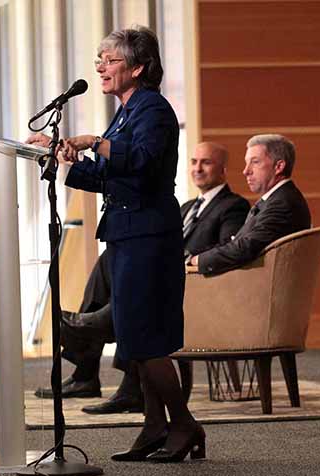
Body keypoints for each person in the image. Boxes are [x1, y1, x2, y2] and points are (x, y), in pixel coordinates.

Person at [28, 26, 204, 463]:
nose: (100, 67)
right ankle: (154, 427)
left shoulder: (153, 109)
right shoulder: (125, 111)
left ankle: (184, 425)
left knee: (146, 339)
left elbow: (142, 162)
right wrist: (60, 156)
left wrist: (95, 143)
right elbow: (109, 177)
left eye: (109, 60)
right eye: (99, 60)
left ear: (138, 67)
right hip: (126, 234)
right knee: (131, 338)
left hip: (149, 236)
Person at [35, 142, 251, 416]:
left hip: (191, 289)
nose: (198, 168)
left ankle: (92, 333)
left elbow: (225, 248)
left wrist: (183, 257)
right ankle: (86, 367)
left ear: (222, 169)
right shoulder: (185, 207)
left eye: (206, 163)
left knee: (139, 293)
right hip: (158, 273)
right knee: (110, 258)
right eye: (194, 161)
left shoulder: (233, 207)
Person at [189, 134, 311, 274]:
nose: (246, 171)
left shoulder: (283, 204)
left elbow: (245, 248)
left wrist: (196, 260)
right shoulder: (275, 200)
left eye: (255, 162)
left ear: (279, 166)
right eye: (246, 163)